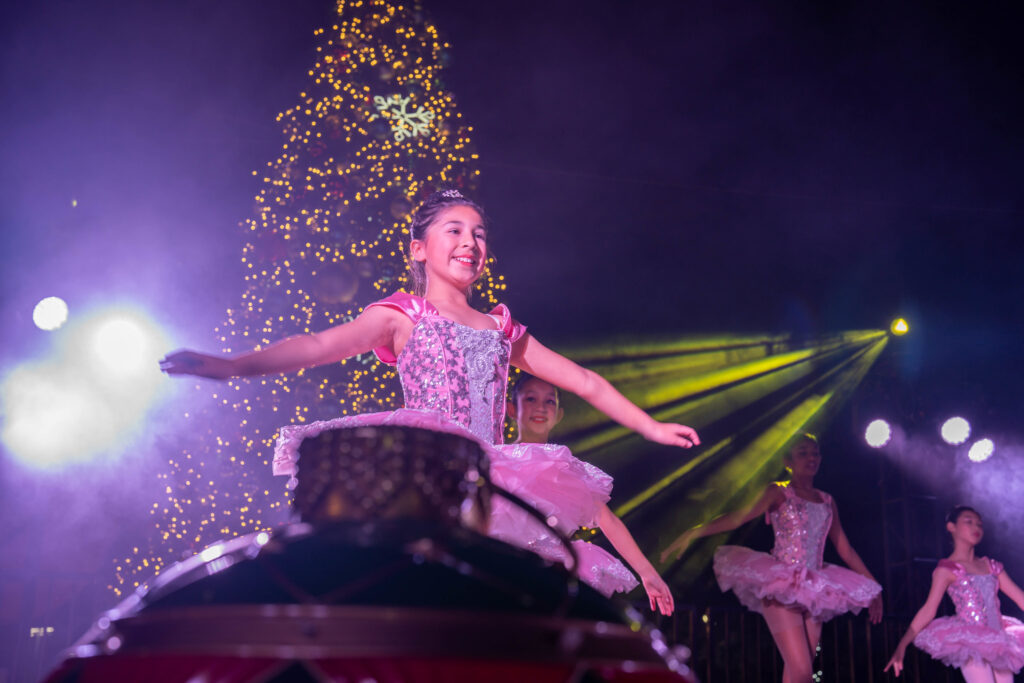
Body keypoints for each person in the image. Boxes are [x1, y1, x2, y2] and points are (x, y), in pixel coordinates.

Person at [161, 188, 699, 611]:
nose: (471, 241)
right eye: (455, 230)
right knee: (424, 592)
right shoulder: (402, 315)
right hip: (423, 476)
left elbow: (584, 381)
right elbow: (320, 346)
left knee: (493, 603)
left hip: (492, 476)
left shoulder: (501, 327)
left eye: (480, 234)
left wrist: (650, 427)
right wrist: (233, 367)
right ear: (419, 248)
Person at [659, 433, 882, 683]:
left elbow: (845, 549)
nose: (811, 457)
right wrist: (694, 531)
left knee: (800, 671)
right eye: (803, 452)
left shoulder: (827, 500)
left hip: (816, 586)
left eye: (815, 452)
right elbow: (738, 517)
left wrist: (873, 586)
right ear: (788, 461)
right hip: (782, 581)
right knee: (801, 670)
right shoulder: (779, 492)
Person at [493, 373, 673, 613]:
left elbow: (608, 520)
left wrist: (647, 573)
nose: (540, 407)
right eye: (530, 399)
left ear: (559, 415)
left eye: (549, 401)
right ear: (512, 408)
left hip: (551, 574)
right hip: (503, 568)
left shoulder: (564, 467)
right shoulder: (495, 460)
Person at [884, 506, 1024, 682]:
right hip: (970, 641)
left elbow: (1021, 598)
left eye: (979, 524)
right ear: (951, 527)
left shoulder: (992, 566)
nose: (976, 528)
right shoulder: (947, 569)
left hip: (999, 640)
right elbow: (929, 609)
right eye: (969, 522)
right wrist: (902, 645)